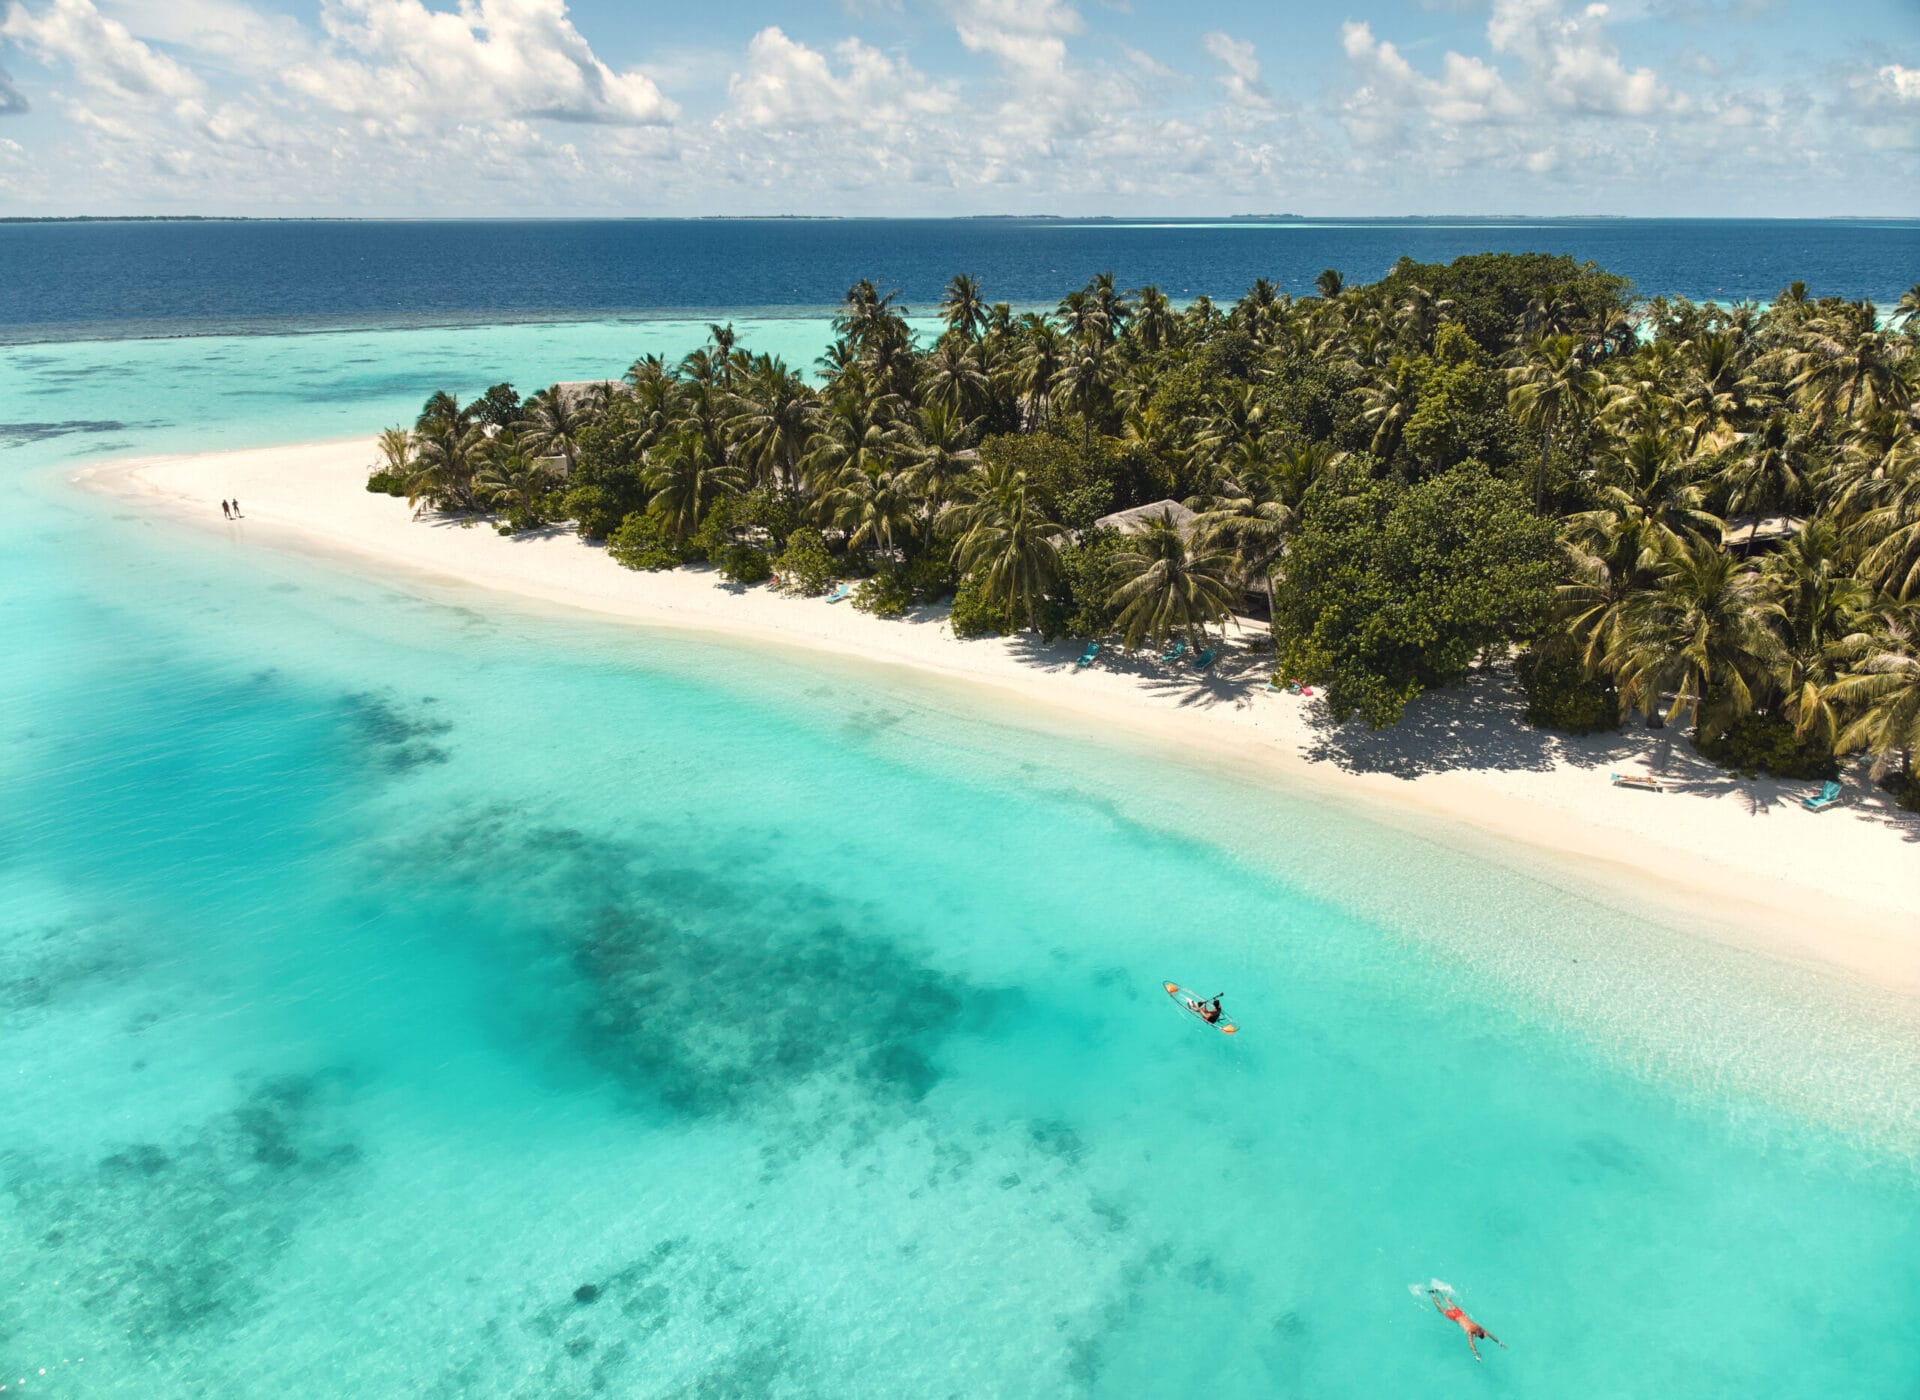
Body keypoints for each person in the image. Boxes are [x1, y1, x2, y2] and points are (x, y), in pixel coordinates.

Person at [1430, 1291, 1504, 1362]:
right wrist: (1476, 1355)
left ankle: (1439, 1292)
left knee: (1449, 1302)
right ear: (1476, 1334)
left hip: (1460, 1313)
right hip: (1454, 1316)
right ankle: (1433, 1294)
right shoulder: (1470, 1332)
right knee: (1440, 1309)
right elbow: (1471, 1345)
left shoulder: (1479, 1327)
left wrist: (1499, 1342)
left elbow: (1490, 1335)